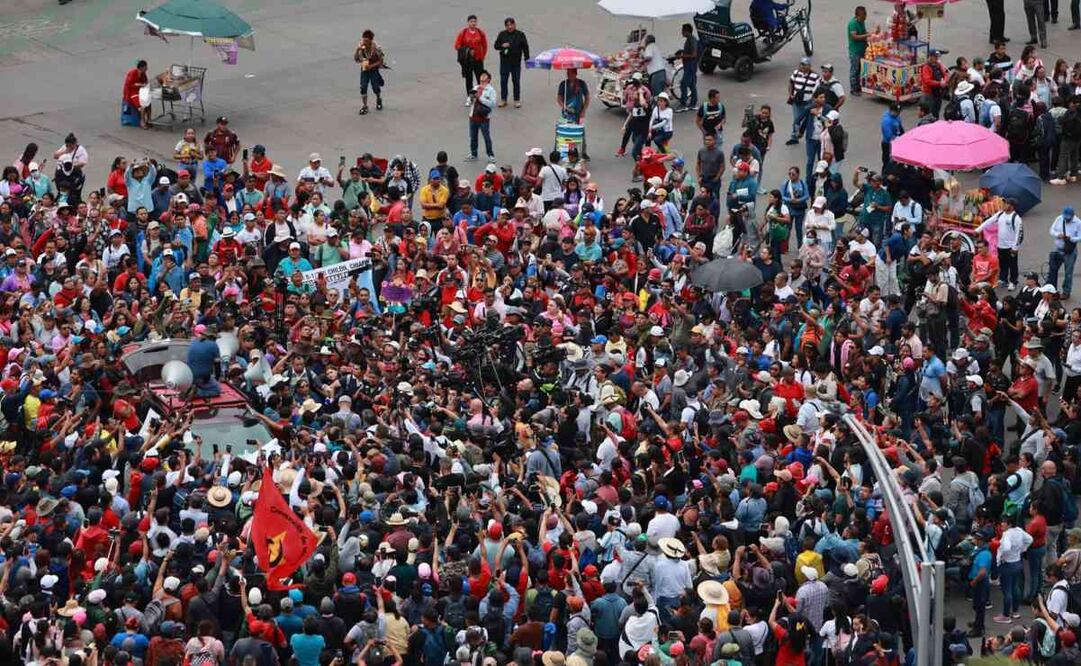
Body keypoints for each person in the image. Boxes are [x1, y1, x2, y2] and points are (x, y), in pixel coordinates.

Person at [976, 198, 1024, 290]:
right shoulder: (1000, 214)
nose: (1004, 205)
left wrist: (1015, 247)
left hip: (1011, 247)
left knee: (1012, 265)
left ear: (1011, 206)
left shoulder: (1016, 218)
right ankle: (1003, 279)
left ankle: (1013, 282)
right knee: (1002, 264)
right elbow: (989, 221)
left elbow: (1020, 234)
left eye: (1006, 204)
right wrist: (978, 230)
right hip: (1000, 245)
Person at [494, 17, 530, 108]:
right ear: (505, 26)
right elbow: (496, 46)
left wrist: (527, 59)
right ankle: (503, 99)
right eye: (508, 25)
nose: (510, 27)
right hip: (504, 63)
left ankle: (516, 100)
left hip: (516, 63)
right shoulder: (502, 34)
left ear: (515, 24)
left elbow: (525, 47)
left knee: (516, 81)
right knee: (503, 81)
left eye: (511, 24)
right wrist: (502, 45)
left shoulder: (520, 34)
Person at [1048, 206, 1081, 299]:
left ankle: (1066, 291)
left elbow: (1080, 237)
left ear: (1073, 216)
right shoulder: (1059, 219)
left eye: (1068, 218)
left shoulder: (1078, 223)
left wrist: (1071, 238)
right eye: (1065, 217)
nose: (1066, 219)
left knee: (1068, 273)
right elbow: (1051, 230)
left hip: (1070, 250)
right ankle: (1052, 290)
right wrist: (1058, 235)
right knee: (1053, 270)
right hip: (1058, 248)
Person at [454, 14, 488, 104]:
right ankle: (470, 96)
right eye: (471, 22)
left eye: (474, 22)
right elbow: (457, 46)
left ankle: (481, 96)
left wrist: (482, 56)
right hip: (467, 61)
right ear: (468, 23)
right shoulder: (463, 33)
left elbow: (484, 45)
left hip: (478, 60)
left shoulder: (480, 33)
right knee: (469, 79)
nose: (473, 23)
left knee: (480, 78)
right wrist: (468, 51)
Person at [557, 69, 591, 159]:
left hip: (579, 113)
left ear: (575, 74)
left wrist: (583, 111)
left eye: (570, 74)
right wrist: (565, 107)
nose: (568, 75)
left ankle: (583, 152)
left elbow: (587, 98)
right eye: (567, 73)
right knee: (567, 132)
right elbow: (559, 99)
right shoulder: (563, 84)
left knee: (581, 133)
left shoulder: (581, 84)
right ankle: (568, 151)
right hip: (567, 114)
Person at [787, 57, 820, 145]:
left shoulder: (815, 77)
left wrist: (812, 100)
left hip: (808, 103)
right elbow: (791, 83)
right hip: (797, 102)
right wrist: (791, 94)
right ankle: (794, 137)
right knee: (796, 120)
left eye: (805, 65)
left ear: (809, 66)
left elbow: (817, 90)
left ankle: (810, 137)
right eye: (801, 64)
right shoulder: (796, 73)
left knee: (809, 121)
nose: (802, 67)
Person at [467, 71, 497, 161]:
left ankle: (490, 155)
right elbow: (469, 101)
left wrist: (480, 98)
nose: (482, 78)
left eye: (484, 76)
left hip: (484, 118)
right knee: (473, 136)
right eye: (481, 76)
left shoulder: (491, 90)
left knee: (486, 137)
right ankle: (473, 153)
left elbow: (492, 104)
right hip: (473, 116)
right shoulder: (476, 87)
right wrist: (471, 98)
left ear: (488, 79)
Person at [355, 29, 385, 115]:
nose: (364, 42)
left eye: (366, 41)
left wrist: (371, 66)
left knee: (375, 87)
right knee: (363, 87)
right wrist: (357, 50)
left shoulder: (376, 48)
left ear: (371, 40)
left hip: (373, 70)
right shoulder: (361, 46)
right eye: (363, 40)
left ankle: (378, 98)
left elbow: (381, 61)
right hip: (364, 70)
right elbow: (356, 59)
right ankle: (365, 106)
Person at [675, 23, 699, 111]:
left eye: (683, 31)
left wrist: (682, 56)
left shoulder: (692, 40)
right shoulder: (688, 40)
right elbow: (688, 51)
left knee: (683, 84)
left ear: (687, 31)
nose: (681, 32)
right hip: (688, 66)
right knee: (692, 85)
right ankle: (693, 102)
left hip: (690, 66)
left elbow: (694, 54)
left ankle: (683, 103)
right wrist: (681, 51)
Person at [919, 49, 949, 118]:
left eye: (937, 56)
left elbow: (945, 74)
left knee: (936, 111)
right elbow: (927, 81)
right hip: (930, 94)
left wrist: (944, 81)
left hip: (938, 93)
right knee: (930, 113)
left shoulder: (938, 64)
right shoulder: (926, 67)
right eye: (935, 56)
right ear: (930, 57)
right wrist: (940, 83)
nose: (937, 58)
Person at [122, 59, 151, 129]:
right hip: (131, 93)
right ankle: (142, 122)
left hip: (140, 92)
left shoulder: (143, 74)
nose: (147, 68)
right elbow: (130, 85)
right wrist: (140, 85)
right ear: (141, 67)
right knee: (142, 105)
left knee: (149, 104)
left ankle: (149, 120)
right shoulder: (133, 73)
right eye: (145, 67)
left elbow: (146, 82)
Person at [847, 7, 869, 95]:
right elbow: (854, 36)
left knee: (860, 69)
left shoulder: (862, 22)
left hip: (862, 49)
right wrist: (867, 35)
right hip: (855, 51)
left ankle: (859, 86)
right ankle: (853, 89)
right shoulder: (853, 23)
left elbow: (863, 32)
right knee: (854, 70)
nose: (865, 17)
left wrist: (867, 43)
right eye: (863, 16)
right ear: (858, 15)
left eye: (865, 15)